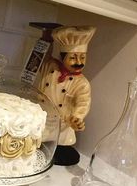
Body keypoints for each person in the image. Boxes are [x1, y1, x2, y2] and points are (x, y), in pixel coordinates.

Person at [38, 26, 96, 165]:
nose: (79, 62)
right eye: (73, 57)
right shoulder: (51, 67)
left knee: (62, 150)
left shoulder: (82, 83)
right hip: (41, 119)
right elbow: (42, 57)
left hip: (63, 126)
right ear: (63, 57)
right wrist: (46, 40)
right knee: (38, 141)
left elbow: (83, 103)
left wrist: (77, 118)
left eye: (83, 57)